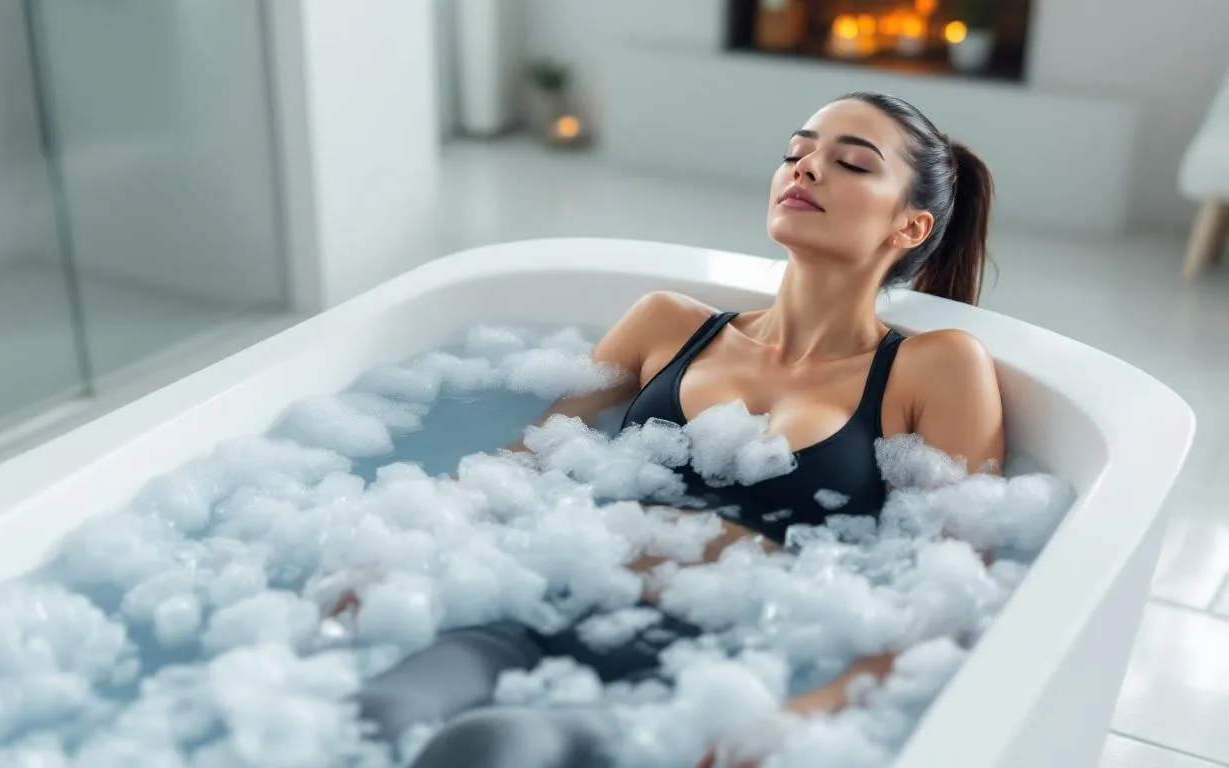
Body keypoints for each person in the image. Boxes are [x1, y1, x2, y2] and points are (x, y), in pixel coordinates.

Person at [336, 91, 1006, 768]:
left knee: (488, 745)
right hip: (545, 606)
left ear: (910, 228)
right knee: (370, 715)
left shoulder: (935, 366)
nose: (804, 170)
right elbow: (523, 463)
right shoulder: (668, 324)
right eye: (795, 154)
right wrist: (401, 549)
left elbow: (948, 589)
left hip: (704, 674)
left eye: (853, 164)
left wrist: (809, 710)